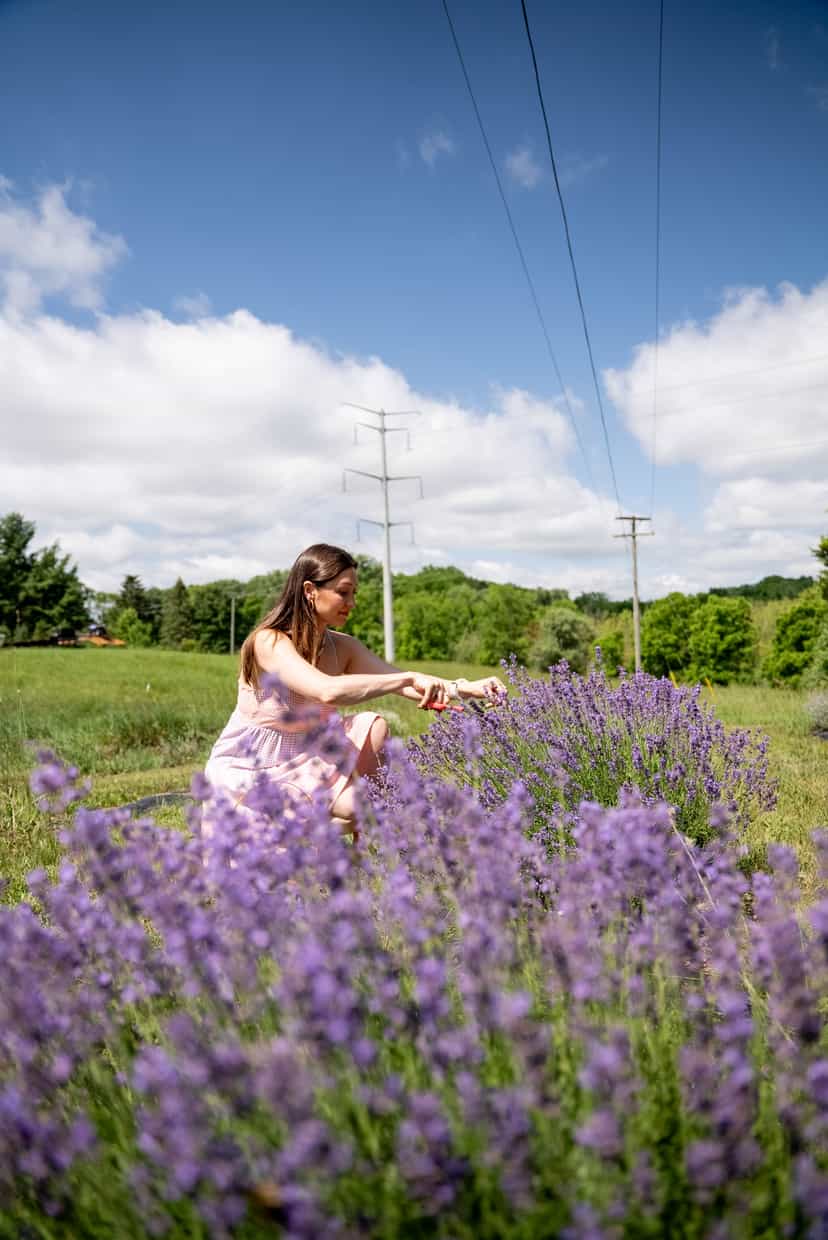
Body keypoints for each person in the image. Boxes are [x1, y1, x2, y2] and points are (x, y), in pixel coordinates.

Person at [204, 543, 505, 832]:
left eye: (354, 594)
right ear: (310, 591)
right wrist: (405, 678)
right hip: (252, 763)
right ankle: (299, 835)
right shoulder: (269, 641)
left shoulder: (342, 647)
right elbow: (327, 691)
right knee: (260, 856)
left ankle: (351, 837)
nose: (352, 603)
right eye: (343, 593)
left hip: (311, 756)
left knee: (371, 748)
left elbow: (405, 683)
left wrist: (467, 689)